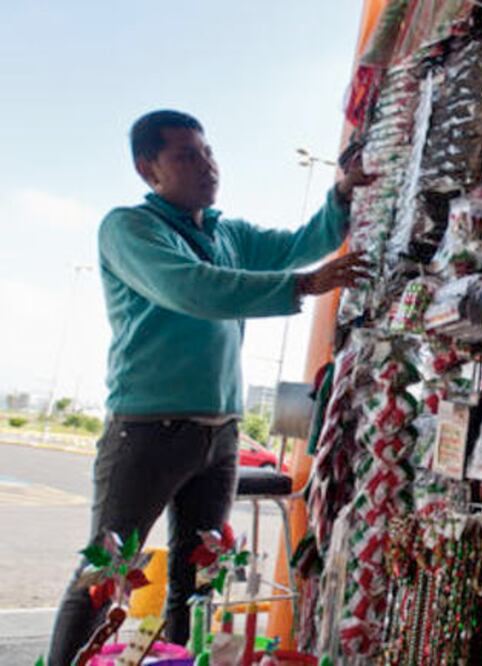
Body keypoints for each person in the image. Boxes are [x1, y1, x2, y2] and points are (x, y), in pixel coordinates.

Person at [47, 109, 372, 665]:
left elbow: (301, 243)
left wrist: (341, 193)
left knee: (200, 579)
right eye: (186, 156)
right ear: (148, 169)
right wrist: (301, 287)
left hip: (220, 435)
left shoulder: (228, 235)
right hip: (147, 431)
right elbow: (193, 288)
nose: (207, 165)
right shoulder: (130, 229)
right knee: (107, 575)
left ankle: (180, 659)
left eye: (208, 152)